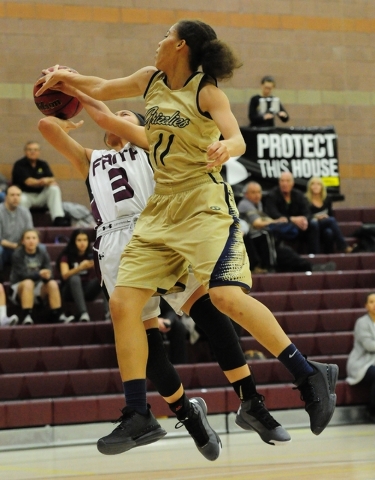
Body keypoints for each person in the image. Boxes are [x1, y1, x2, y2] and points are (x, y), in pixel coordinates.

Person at [36, 18, 338, 451]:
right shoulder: (149, 81)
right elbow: (101, 89)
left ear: (180, 46)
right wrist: (65, 78)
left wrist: (226, 147)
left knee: (224, 299)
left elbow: (236, 138)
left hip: (204, 203)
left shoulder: (206, 90)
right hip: (159, 215)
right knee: (123, 304)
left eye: (164, 36)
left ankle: (308, 373)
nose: (157, 41)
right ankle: (139, 412)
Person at [38, 95, 291, 458]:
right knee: (148, 351)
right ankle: (189, 416)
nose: (115, 119)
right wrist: (67, 112)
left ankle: (252, 401)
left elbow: (114, 119)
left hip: (159, 232)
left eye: (125, 114)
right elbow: (46, 127)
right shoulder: (90, 159)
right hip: (113, 244)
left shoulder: (149, 144)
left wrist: (89, 96)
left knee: (211, 316)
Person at [238, 181, 336, 273]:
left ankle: (312, 267)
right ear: (246, 194)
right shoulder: (245, 204)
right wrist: (276, 221)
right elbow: (257, 223)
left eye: (259, 192)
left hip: (264, 244)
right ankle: (268, 267)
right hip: (253, 244)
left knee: (287, 253)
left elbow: (264, 220)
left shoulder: (258, 204)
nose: (257, 195)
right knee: (269, 236)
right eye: (253, 192)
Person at [9, 228, 74, 325]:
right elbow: (22, 275)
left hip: (37, 288)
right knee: (28, 282)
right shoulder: (17, 254)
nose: (31, 241)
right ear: (23, 241)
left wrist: (47, 276)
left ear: (38, 241)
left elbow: (50, 272)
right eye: (28, 238)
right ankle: (26, 315)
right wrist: (39, 274)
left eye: (33, 238)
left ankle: (57, 314)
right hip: (18, 289)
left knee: (52, 283)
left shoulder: (43, 252)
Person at [56, 229, 108, 322]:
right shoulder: (66, 255)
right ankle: (83, 313)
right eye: (79, 240)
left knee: (103, 277)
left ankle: (108, 313)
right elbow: (64, 275)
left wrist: (96, 265)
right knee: (75, 278)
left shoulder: (92, 254)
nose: (82, 243)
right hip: (69, 291)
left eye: (85, 240)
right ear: (73, 241)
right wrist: (80, 268)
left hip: (87, 289)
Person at [11, 141, 67, 226]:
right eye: (30, 149)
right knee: (21, 199)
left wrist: (47, 181)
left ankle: (58, 219)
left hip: (41, 195)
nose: (32, 152)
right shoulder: (19, 164)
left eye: (35, 150)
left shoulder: (43, 164)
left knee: (54, 189)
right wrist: (43, 181)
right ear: (25, 151)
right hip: (26, 195)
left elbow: (52, 178)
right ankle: (24, 223)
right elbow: (28, 182)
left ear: (39, 152)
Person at [265, 171, 321, 253]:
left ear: (292, 183)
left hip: (300, 226)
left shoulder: (298, 195)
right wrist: (292, 219)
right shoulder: (272, 195)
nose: (285, 184)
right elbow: (273, 214)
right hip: (282, 226)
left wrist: (303, 219)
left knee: (314, 224)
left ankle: (314, 255)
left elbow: (308, 213)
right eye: (282, 181)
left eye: (287, 181)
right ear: (279, 182)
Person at [346, 292, 375, 423]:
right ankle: (372, 411)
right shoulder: (362, 322)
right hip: (361, 364)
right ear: (366, 306)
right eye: (371, 302)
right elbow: (369, 346)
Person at [305, 176, 352, 254]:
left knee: (329, 232)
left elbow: (330, 214)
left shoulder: (327, 199)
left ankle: (329, 256)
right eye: (313, 184)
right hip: (311, 226)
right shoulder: (305, 199)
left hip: (323, 226)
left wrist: (325, 218)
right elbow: (305, 215)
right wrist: (317, 217)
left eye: (318, 184)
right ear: (309, 187)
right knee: (331, 220)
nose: (315, 186)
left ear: (322, 187)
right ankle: (343, 246)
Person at [0, 185, 34, 274]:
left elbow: (30, 233)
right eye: (12, 195)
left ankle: (33, 278)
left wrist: (24, 245)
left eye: (18, 195)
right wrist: (16, 246)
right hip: (4, 248)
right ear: (6, 197)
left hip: (20, 247)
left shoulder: (25, 212)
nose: (16, 198)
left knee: (41, 248)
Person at [158, 297, 188, 364]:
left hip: (160, 321)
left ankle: (180, 365)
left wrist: (168, 321)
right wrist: (154, 321)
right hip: (140, 322)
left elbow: (170, 310)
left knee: (179, 327)